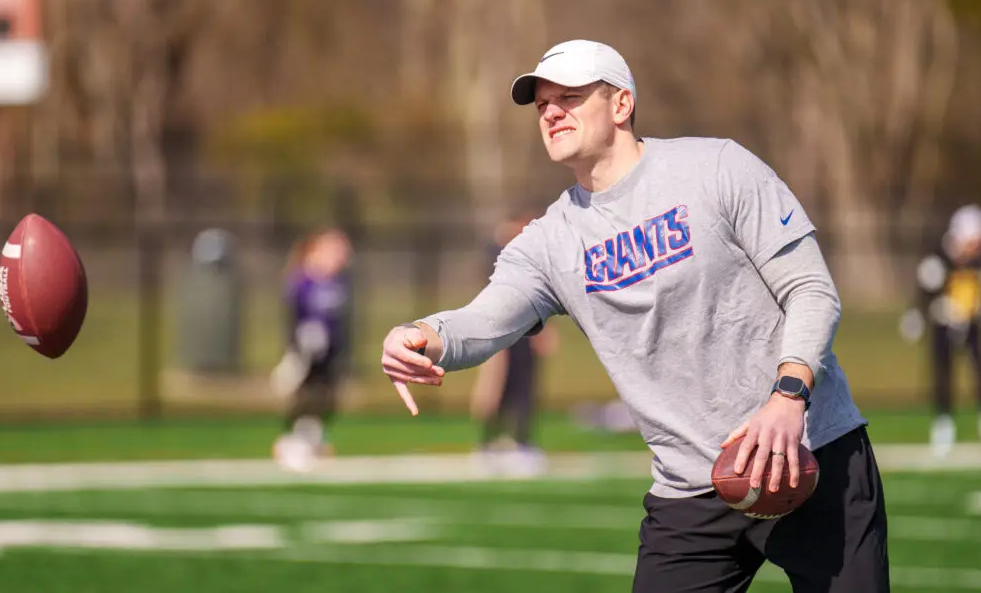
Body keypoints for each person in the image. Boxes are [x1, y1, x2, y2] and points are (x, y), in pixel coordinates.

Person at [380, 39, 889, 592]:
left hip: (810, 453)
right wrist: (420, 334)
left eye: (570, 97)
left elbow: (812, 290)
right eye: (542, 103)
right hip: (692, 491)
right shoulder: (550, 242)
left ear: (621, 104)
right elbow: (483, 322)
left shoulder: (717, 168)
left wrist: (789, 397)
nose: (551, 112)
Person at [469, 210, 559, 474]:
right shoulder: (495, 256)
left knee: (525, 390)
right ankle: (487, 443)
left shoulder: (533, 256)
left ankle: (522, 443)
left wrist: (546, 329)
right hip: (500, 332)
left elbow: (542, 294)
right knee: (496, 391)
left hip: (527, 332)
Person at [899, 203, 981, 456]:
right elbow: (925, 293)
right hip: (943, 325)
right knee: (942, 375)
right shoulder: (938, 260)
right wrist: (918, 315)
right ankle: (943, 427)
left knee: (980, 372)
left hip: (971, 325)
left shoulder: (980, 262)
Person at [272, 227, 354, 472]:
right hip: (307, 350)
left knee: (328, 398)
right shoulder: (304, 281)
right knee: (308, 395)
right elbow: (296, 314)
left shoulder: (336, 283)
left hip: (329, 352)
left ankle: (311, 441)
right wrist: (302, 343)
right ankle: (295, 443)